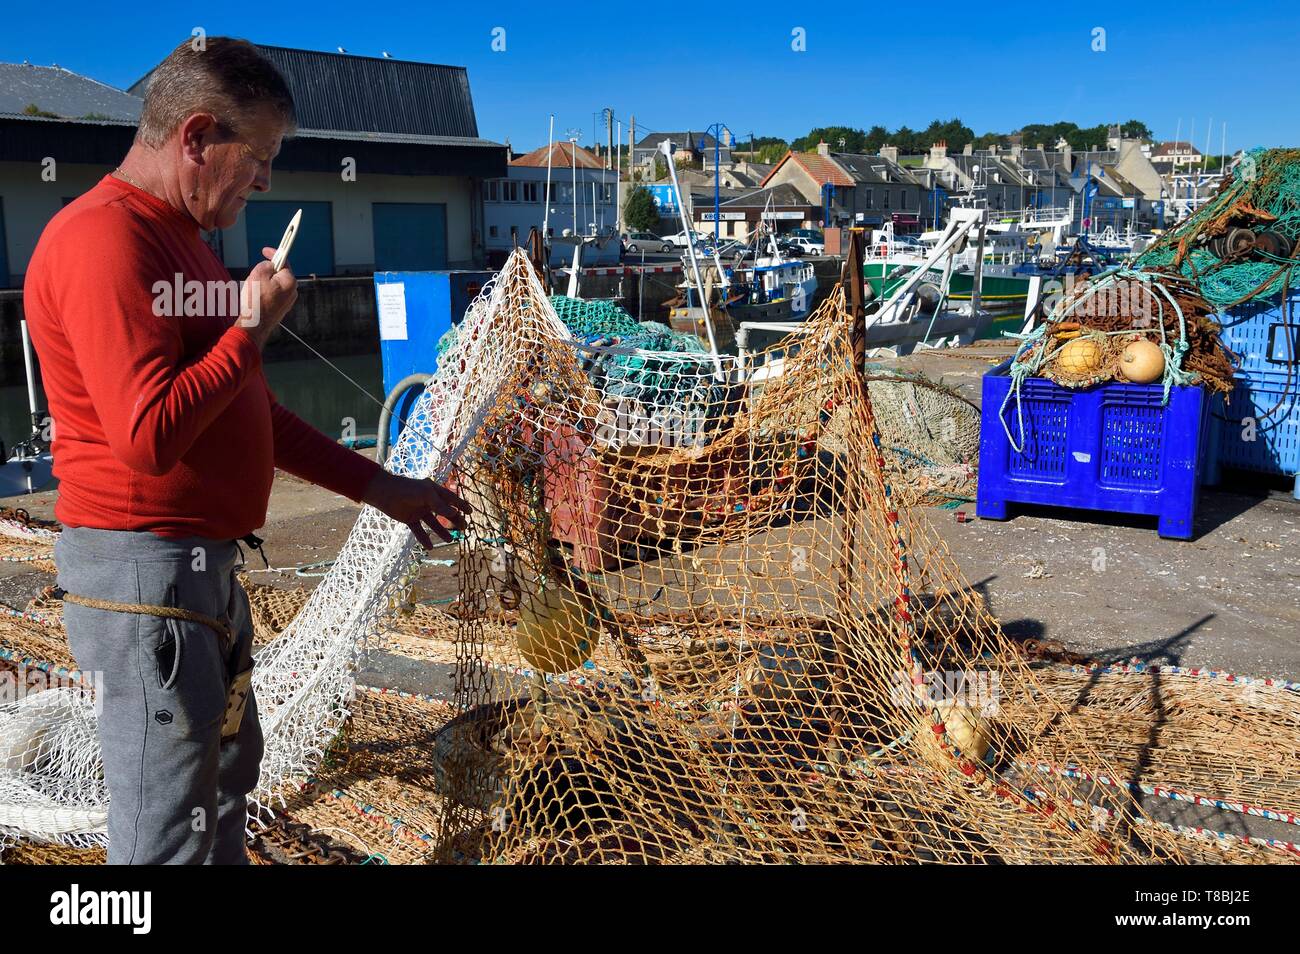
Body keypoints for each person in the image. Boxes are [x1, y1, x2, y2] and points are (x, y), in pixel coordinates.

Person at [23, 37, 467, 864]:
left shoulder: (185, 242)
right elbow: (149, 437)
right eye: (257, 156)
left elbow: (253, 415)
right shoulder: (103, 240)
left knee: (226, 781)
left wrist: (384, 487)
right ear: (195, 137)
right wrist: (249, 328)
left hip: (198, 573)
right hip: (143, 578)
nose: (266, 180)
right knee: (163, 824)